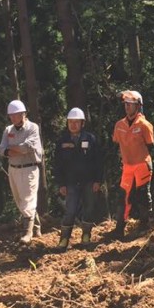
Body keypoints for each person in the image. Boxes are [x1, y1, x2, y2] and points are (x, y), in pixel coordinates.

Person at [54, 107, 103, 251]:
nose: (73, 125)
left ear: (82, 123)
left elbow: (98, 161)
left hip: (89, 181)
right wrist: (61, 184)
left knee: (89, 208)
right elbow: (58, 165)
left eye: (76, 122)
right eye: (70, 122)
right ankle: (64, 239)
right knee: (70, 210)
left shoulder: (90, 139)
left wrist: (98, 181)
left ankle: (86, 236)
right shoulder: (62, 141)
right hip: (70, 183)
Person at [108, 91, 154, 240]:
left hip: (142, 164)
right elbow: (116, 142)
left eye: (130, 104)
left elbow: (150, 145)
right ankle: (120, 227)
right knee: (123, 196)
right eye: (126, 104)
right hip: (127, 166)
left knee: (142, 195)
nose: (127, 107)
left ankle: (145, 225)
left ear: (138, 106)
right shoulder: (119, 125)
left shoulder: (145, 125)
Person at [0, 99, 44, 244]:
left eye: (16, 115)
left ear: (23, 114)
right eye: (11, 115)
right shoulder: (8, 130)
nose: (13, 118)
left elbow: (28, 147)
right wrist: (14, 150)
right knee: (20, 200)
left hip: (29, 168)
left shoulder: (32, 128)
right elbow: (1, 149)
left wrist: (12, 149)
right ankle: (36, 229)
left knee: (28, 199)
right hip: (13, 169)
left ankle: (27, 232)